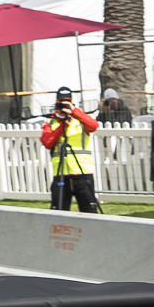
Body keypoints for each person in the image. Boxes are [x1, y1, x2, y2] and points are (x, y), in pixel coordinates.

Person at [41, 85, 100, 213]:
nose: (64, 106)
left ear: (72, 103)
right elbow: (47, 143)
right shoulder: (50, 123)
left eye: (67, 103)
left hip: (82, 172)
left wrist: (74, 112)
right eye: (61, 103)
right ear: (56, 103)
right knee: (59, 213)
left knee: (89, 212)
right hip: (61, 174)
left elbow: (94, 126)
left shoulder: (80, 121)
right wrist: (63, 125)